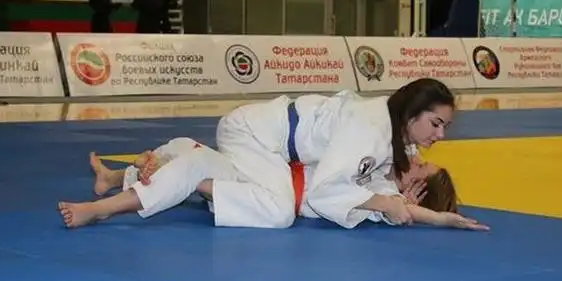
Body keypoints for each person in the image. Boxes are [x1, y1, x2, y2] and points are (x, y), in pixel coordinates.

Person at [58, 78, 489, 231]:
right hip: (258, 137)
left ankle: (123, 180)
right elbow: (324, 192)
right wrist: (387, 202)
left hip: (270, 144)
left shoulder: (391, 134)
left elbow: (401, 200)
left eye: (445, 127)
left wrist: (440, 217)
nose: (439, 136)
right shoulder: (371, 130)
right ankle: (112, 206)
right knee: (279, 210)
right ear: (413, 114)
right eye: (436, 124)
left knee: (213, 167)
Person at [66, 138, 482, 231]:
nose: (416, 160)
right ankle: (114, 178)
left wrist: (442, 218)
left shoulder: (386, 200)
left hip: (274, 192)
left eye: (420, 168)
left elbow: (406, 212)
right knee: (185, 148)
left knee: (189, 166)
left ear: (416, 191)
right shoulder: (378, 158)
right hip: (266, 167)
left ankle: (103, 209)